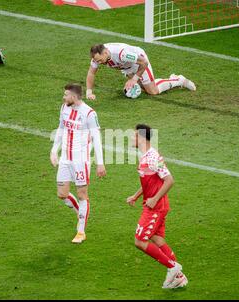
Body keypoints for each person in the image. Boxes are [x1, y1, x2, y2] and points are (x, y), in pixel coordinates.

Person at [126, 124, 187, 289]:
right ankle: (179, 277)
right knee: (157, 239)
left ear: (140, 137)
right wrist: (136, 196)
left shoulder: (152, 157)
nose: (131, 138)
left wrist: (154, 198)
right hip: (154, 204)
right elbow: (150, 181)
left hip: (155, 207)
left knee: (139, 241)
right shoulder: (145, 156)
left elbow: (169, 180)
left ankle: (173, 267)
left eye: (133, 136)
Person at [50, 84, 106, 243]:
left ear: (74, 97)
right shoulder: (64, 108)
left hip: (81, 160)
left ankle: (81, 231)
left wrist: (100, 163)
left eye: (66, 95)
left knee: (82, 194)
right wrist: (54, 150)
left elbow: (97, 138)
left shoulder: (89, 113)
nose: (63, 97)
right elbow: (61, 129)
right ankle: (81, 212)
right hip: (65, 159)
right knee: (62, 194)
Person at [86, 43, 196, 100]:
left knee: (153, 91)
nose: (99, 63)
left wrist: (134, 79)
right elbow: (91, 73)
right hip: (127, 67)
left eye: (100, 60)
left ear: (105, 52)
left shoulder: (121, 54)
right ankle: (161, 80)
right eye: (97, 61)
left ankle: (179, 80)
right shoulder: (97, 57)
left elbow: (144, 62)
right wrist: (89, 92)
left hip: (138, 62)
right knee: (144, 88)